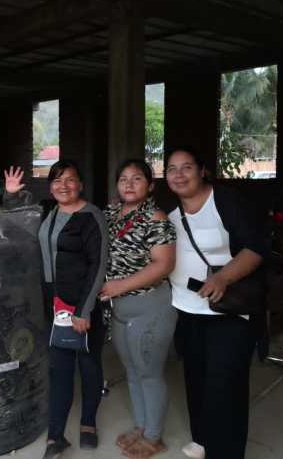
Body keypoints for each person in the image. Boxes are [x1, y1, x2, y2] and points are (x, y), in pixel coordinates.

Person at [165, 147, 266, 459]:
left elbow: (255, 247)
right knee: (195, 378)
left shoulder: (225, 201)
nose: (179, 175)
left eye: (186, 167)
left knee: (226, 385)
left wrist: (223, 278)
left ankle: (227, 452)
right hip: (185, 308)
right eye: (171, 169)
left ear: (202, 170)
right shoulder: (167, 208)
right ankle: (203, 439)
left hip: (228, 311)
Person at [4, 161, 107, 459]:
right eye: (57, 180)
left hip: (81, 302)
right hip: (53, 302)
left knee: (88, 364)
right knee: (59, 367)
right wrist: (11, 194)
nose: (64, 186)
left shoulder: (91, 216)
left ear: (81, 185)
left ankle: (88, 423)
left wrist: (84, 310)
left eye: (70, 180)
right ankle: (55, 436)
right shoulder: (48, 210)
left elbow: (99, 265)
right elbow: (19, 218)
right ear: (50, 186)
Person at [99, 159, 176, 458]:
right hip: (120, 308)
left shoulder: (156, 218)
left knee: (149, 373)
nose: (129, 184)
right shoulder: (110, 213)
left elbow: (164, 264)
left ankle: (154, 437)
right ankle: (142, 427)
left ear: (150, 185)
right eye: (123, 179)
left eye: (137, 179)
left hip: (150, 305)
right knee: (132, 371)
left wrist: (119, 286)